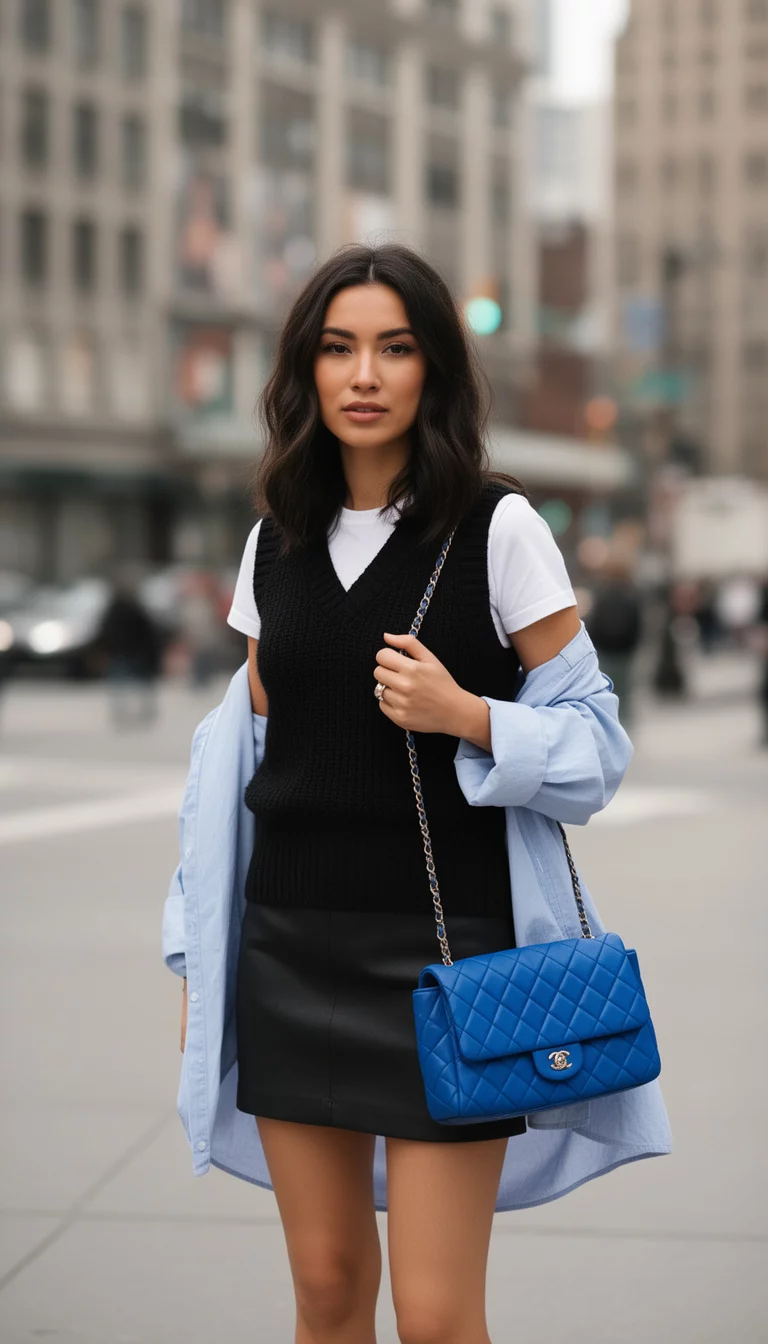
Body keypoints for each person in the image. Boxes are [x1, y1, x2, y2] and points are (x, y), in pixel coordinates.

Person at [166, 244, 670, 1344]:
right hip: (289, 953)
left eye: (394, 348)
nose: (363, 374)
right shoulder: (277, 541)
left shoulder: (500, 530)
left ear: (433, 371)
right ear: (303, 370)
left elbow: (599, 745)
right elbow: (241, 765)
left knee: (438, 1317)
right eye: (338, 347)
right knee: (329, 1291)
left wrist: (472, 716)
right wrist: (195, 946)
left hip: (453, 963)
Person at [97, 573, 161, 727]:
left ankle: (137, 710)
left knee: (133, 682)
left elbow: (147, 632)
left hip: (129, 651)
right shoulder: (120, 609)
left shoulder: (130, 608)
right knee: (125, 682)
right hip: (124, 651)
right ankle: (126, 711)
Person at [586, 568, 643, 725]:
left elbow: (593, 623)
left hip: (606, 650)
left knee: (608, 689)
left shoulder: (602, 597)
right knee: (625, 690)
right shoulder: (631, 596)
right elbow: (638, 624)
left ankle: (611, 721)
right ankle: (625, 723)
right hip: (625, 651)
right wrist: (633, 647)